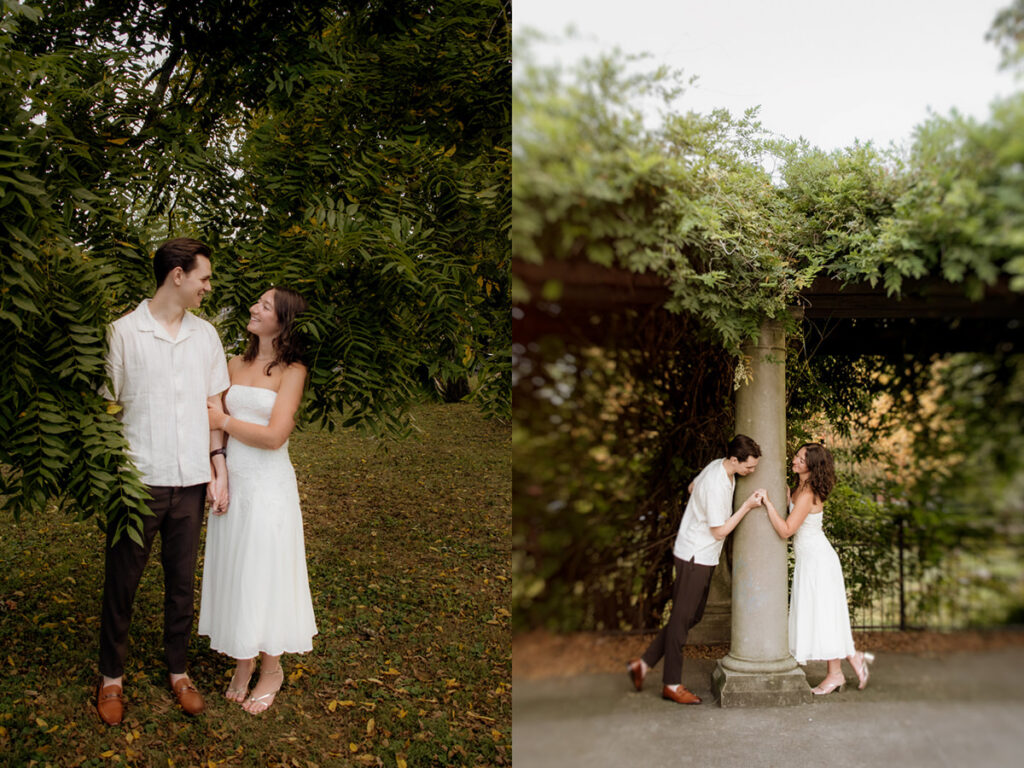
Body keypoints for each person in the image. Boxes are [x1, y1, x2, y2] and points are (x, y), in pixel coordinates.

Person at [96, 237, 231, 726]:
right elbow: (106, 409)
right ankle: (111, 677)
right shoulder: (121, 333)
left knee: (181, 583)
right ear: (178, 275)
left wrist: (217, 464)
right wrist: (115, 471)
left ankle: (179, 670)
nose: (207, 287)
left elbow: (215, 407)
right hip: (137, 483)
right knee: (122, 583)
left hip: (190, 480)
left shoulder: (206, 336)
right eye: (204, 278)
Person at [199, 285, 318, 714]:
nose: (254, 308)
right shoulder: (234, 363)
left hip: (269, 485)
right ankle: (243, 660)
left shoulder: (293, 371)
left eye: (265, 306)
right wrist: (218, 472)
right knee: (238, 569)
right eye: (258, 302)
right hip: (234, 481)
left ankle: (272, 668)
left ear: (283, 321)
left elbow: (274, 436)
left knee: (265, 571)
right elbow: (213, 422)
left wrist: (224, 419)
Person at [626, 435, 764, 704]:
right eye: (749, 466)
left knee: (692, 615)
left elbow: (691, 488)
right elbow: (719, 531)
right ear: (734, 460)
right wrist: (746, 506)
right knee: (681, 620)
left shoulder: (719, 466)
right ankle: (671, 684)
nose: (752, 471)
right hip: (695, 555)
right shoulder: (715, 483)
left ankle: (641, 665)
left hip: (702, 554)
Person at [761, 443, 874, 694]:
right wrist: (785, 497)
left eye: (801, 459)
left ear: (812, 466)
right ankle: (850, 659)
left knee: (823, 614)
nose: (795, 460)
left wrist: (768, 503)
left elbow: (786, 530)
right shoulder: (800, 488)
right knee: (823, 614)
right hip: (810, 560)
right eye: (797, 455)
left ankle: (837, 672)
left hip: (818, 562)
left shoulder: (807, 494)